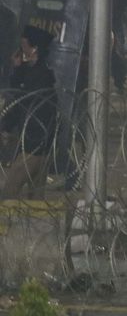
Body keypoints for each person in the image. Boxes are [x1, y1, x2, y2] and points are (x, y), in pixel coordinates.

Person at [1, 26, 58, 199]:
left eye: (24, 46)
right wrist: (17, 68)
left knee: (9, 191)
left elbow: (20, 102)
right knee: (35, 196)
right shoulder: (31, 70)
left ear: (34, 49)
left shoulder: (42, 76)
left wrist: (4, 125)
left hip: (35, 144)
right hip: (37, 142)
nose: (21, 50)